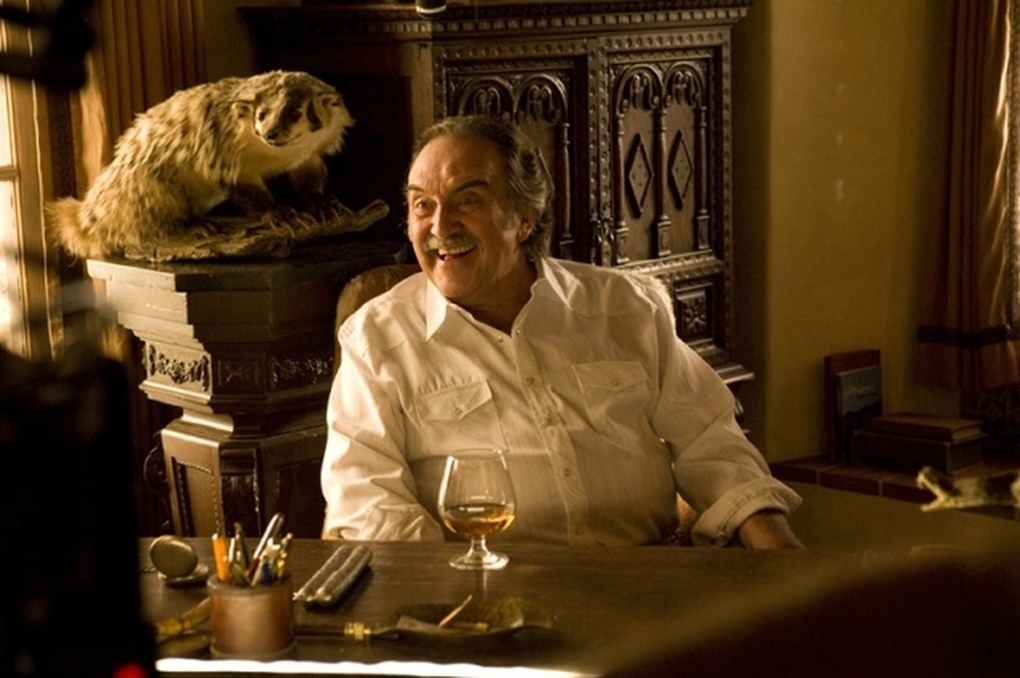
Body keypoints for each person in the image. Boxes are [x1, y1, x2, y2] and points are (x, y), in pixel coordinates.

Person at [321, 115, 804, 548]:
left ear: (524, 218)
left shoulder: (623, 308)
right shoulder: (376, 340)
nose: (440, 225)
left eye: (468, 200)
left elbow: (710, 441)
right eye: (422, 205)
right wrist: (457, 597)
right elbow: (369, 503)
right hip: (486, 591)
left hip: (649, 582)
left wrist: (781, 557)